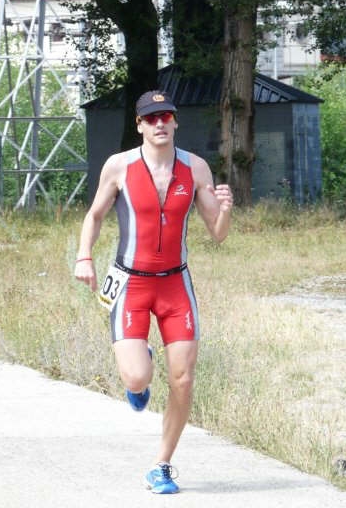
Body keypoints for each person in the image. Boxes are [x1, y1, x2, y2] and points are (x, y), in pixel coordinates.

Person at [74, 90, 233, 494]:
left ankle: (161, 465)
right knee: (138, 376)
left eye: (166, 116)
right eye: (151, 118)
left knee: (182, 379)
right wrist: (84, 257)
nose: (160, 123)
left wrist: (226, 210)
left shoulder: (196, 168)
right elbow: (94, 215)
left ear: (175, 122)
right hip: (131, 283)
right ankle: (138, 369)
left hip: (176, 285)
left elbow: (217, 235)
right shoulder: (119, 166)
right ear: (140, 125)